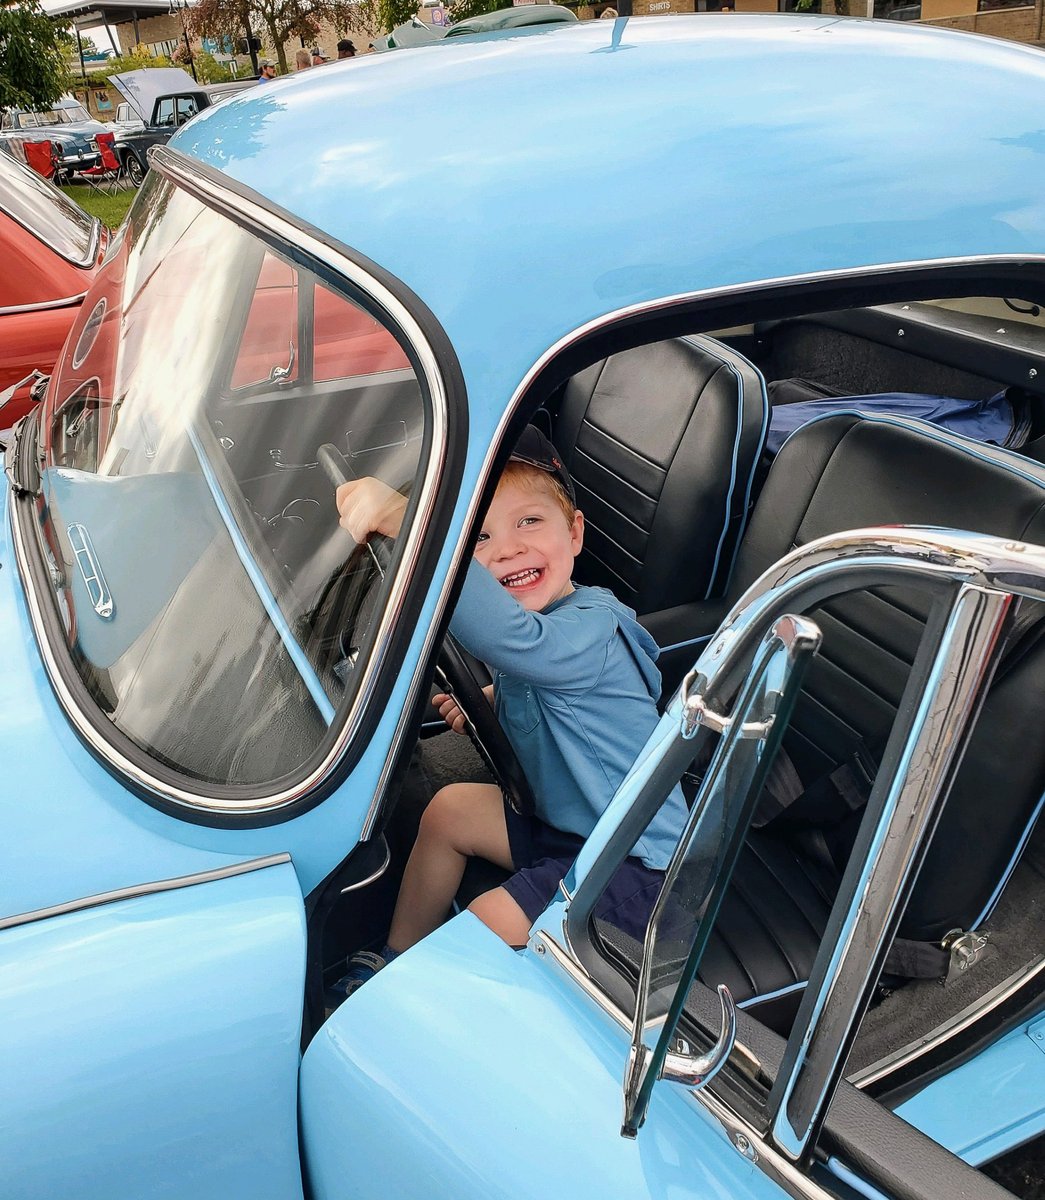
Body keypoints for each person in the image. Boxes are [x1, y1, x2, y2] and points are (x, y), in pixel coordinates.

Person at [329, 426, 688, 998]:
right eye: (481, 536)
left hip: (635, 863)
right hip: (566, 824)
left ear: (575, 533)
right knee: (448, 812)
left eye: (530, 521)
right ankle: (393, 960)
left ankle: (409, 1006)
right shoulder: (546, 630)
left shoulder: (591, 629)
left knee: (488, 921)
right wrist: (494, 702)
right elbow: (548, 687)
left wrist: (413, 522)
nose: (508, 549)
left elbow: (515, 641)